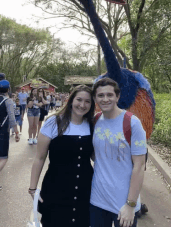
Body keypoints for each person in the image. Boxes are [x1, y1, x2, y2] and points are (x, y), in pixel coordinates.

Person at [28, 85, 95, 227]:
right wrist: (33, 188)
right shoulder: (53, 122)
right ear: (71, 100)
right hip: (56, 188)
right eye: (79, 99)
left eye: (87, 101)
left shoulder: (92, 125)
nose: (82, 105)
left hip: (85, 188)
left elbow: (96, 158)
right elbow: (39, 158)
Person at [90, 77, 147, 227]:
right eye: (100, 95)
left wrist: (131, 204)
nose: (105, 99)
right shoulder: (95, 121)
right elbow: (95, 155)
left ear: (117, 96)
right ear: (95, 98)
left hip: (123, 203)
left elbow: (139, 166)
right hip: (97, 200)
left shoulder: (132, 123)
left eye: (110, 95)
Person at [0, 80, 20, 194]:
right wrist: (17, 133)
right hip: (2, 133)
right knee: (3, 158)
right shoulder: (7, 101)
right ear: (8, 89)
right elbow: (12, 118)